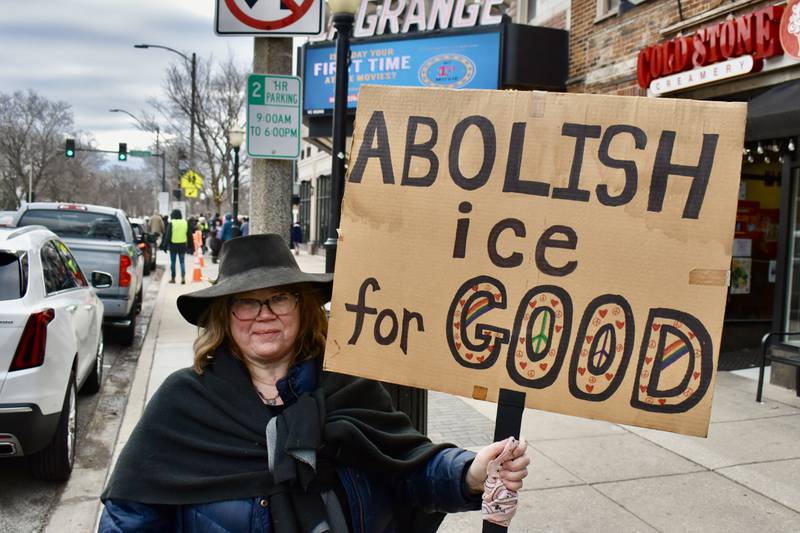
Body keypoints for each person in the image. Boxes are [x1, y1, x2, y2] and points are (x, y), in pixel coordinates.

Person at [99, 234, 530, 533]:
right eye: (246, 302)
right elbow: (132, 516)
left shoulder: (348, 387)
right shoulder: (184, 403)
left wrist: (471, 472)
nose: (264, 313)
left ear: (303, 308)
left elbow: (409, 471)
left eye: (279, 298)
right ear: (224, 316)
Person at [161, 209, 189, 284]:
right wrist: (190, 246)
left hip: (173, 245)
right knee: (182, 262)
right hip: (182, 245)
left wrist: (164, 246)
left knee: (173, 262)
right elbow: (189, 234)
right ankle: (183, 278)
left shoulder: (172, 223)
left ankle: (173, 278)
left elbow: (168, 236)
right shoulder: (185, 222)